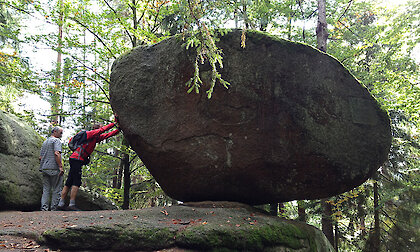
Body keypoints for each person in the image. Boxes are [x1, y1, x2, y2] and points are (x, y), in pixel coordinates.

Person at [57, 118, 120, 211]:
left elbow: (107, 135)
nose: (101, 130)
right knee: (76, 182)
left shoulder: (95, 138)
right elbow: (103, 130)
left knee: (69, 181)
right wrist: (114, 123)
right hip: (76, 159)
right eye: (100, 128)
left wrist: (118, 129)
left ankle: (61, 204)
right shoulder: (89, 134)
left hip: (75, 159)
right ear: (96, 129)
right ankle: (71, 204)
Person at [39, 126, 64, 211]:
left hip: (44, 168)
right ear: (55, 132)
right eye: (60, 133)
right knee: (57, 188)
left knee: (46, 189)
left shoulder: (45, 142)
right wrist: (60, 166)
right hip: (54, 168)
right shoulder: (56, 141)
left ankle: (44, 208)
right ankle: (54, 209)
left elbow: (40, 157)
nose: (61, 135)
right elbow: (57, 153)